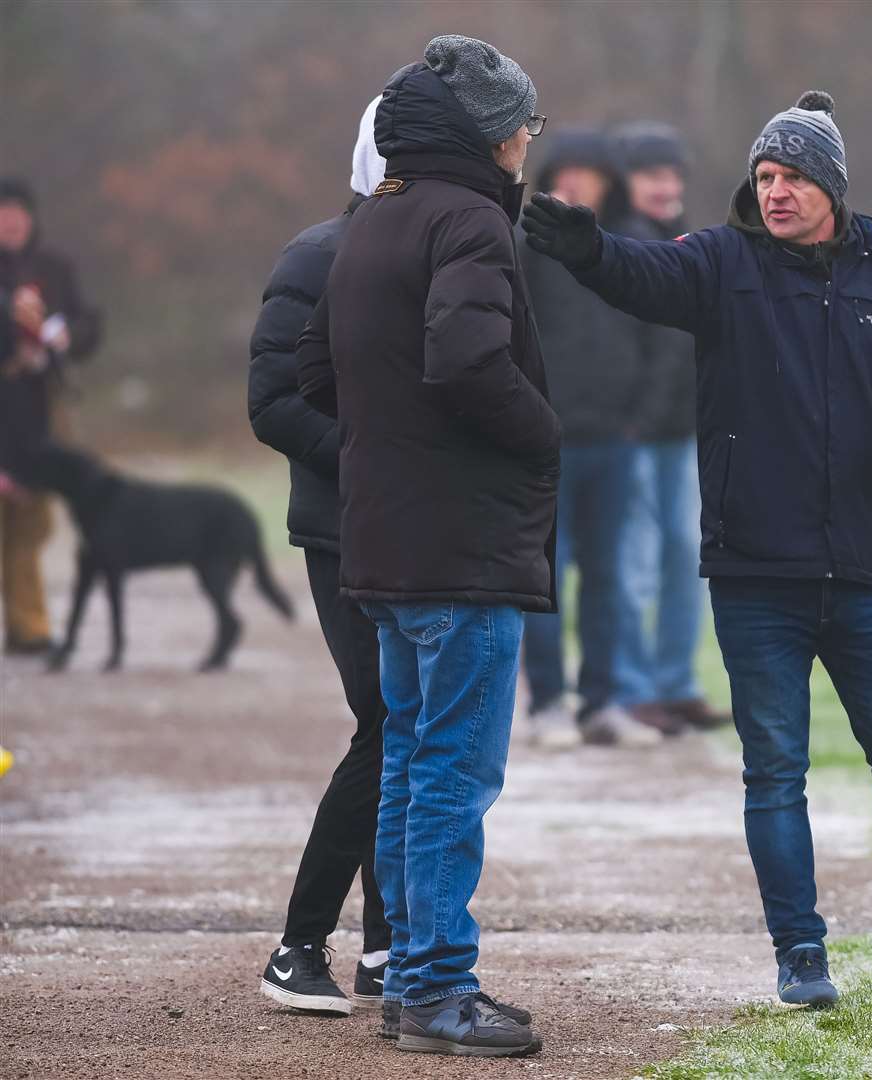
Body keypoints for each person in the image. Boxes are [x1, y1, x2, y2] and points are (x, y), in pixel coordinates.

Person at [522, 91, 872, 1007]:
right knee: (775, 773)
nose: (774, 192)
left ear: (832, 187)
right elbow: (641, 273)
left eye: (793, 177)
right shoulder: (722, 264)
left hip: (868, 575)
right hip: (755, 574)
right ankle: (798, 953)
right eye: (764, 177)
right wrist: (587, 251)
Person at [297, 35, 558, 1057]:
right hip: (461, 546)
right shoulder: (469, 224)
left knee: (410, 758)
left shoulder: (370, 224)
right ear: (495, 135)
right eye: (525, 123)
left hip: (384, 540)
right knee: (452, 767)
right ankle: (442, 992)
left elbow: (320, 378)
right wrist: (545, 434)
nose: (531, 140)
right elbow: (467, 363)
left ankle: (411, 981)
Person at [247, 96, 391, 1017]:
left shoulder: (440, 252)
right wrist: (376, 456)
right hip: (345, 530)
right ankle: (301, 945)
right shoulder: (315, 255)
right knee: (386, 726)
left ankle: (387, 947)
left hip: (419, 530)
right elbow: (272, 405)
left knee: (404, 730)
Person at [512, 128, 661, 749]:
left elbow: (665, 339)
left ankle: (604, 703)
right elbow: (510, 334)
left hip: (617, 439)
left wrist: (642, 416)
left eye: (587, 171)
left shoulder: (637, 245)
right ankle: (548, 701)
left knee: (608, 574)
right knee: (542, 575)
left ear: (609, 181)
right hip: (546, 440)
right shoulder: (525, 245)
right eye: (563, 170)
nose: (572, 181)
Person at [608, 122, 729, 735]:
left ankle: (674, 683)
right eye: (653, 174)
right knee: (633, 565)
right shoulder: (611, 249)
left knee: (687, 558)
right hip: (629, 435)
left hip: (680, 432)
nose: (667, 185)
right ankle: (631, 688)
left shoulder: (684, 245)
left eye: (673, 174)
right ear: (625, 180)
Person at [0, 178, 101, 657]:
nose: (12, 221)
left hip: (39, 410)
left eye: (18, 212)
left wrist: (62, 336)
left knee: (32, 519)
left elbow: (88, 324)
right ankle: (27, 625)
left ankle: (29, 626)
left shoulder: (54, 267)